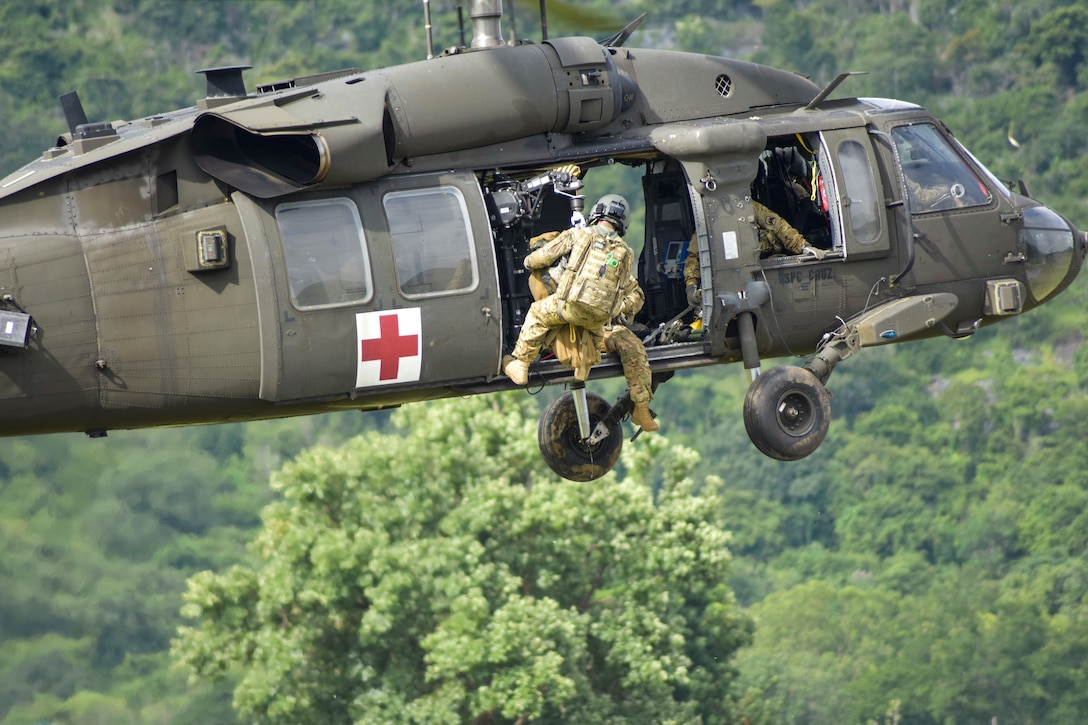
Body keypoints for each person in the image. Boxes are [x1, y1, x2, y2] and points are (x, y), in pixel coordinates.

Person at [504, 194, 658, 431]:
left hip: (567, 313)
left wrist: (532, 260)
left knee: (538, 312)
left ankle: (521, 364)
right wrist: (617, 307)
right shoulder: (624, 252)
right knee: (633, 346)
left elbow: (536, 260)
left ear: (596, 213)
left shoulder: (577, 235)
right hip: (599, 325)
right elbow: (636, 296)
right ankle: (641, 409)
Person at [684, 200, 824, 306]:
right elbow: (694, 255)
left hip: (761, 267)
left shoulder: (749, 207)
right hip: (727, 277)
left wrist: (803, 247)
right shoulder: (708, 219)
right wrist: (691, 285)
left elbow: (779, 226)